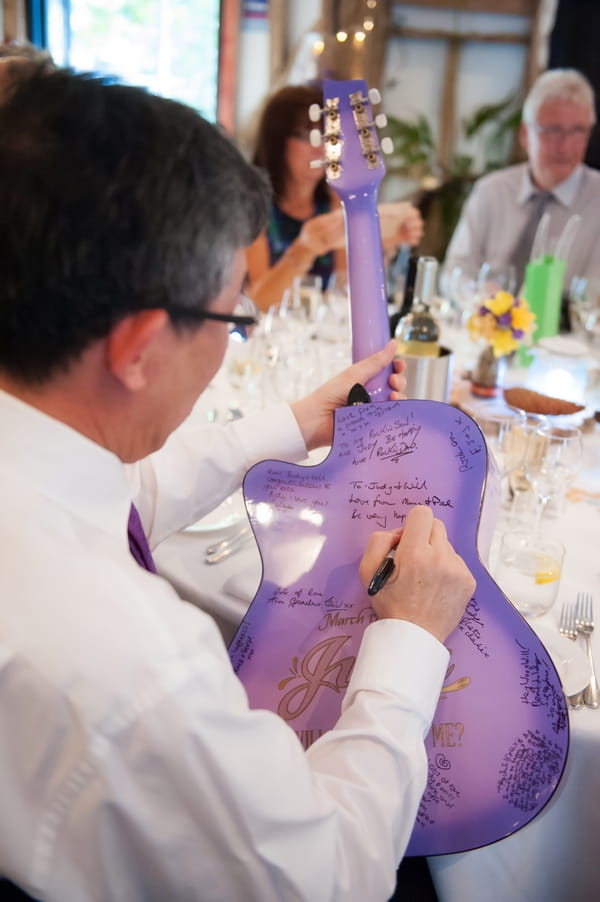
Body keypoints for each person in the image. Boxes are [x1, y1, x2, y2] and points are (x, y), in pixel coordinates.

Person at [0, 65, 475, 901]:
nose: (233, 339)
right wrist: (411, 640)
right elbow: (329, 876)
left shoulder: (37, 464)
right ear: (140, 346)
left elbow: (117, 500)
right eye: (232, 318)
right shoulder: (141, 667)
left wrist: (291, 423)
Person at [246, 83, 424, 312]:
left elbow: (345, 290)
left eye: (327, 136)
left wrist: (385, 244)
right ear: (277, 140)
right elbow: (256, 305)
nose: (319, 147)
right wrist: (304, 250)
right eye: (306, 136)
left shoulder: (332, 202)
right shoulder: (253, 208)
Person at [443, 68, 600, 291]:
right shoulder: (492, 190)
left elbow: (593, 296)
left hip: (566, 325)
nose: (566, 146)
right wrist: (477, 293)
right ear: (525, 135)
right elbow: (454, 271)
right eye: (553, 130)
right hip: (486, 319)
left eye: (577, 131)